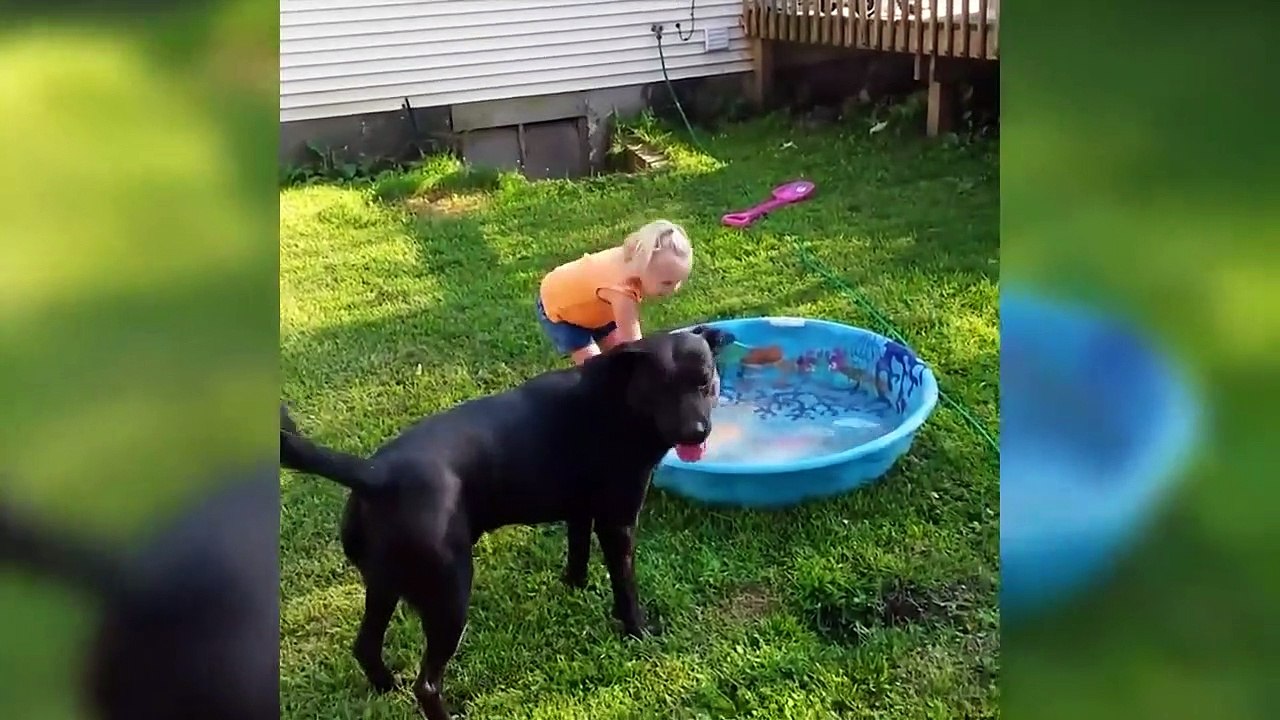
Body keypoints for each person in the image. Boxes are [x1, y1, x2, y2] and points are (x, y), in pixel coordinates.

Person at [536, 219, 692, 365]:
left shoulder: (635, 256)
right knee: (596, 368)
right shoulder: (622, 291)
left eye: (679, 280)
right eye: (667, 283)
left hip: (596, 307)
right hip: (562, 310)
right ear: (643, 268)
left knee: (618, 355)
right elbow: (634, 343)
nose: (674, 288)